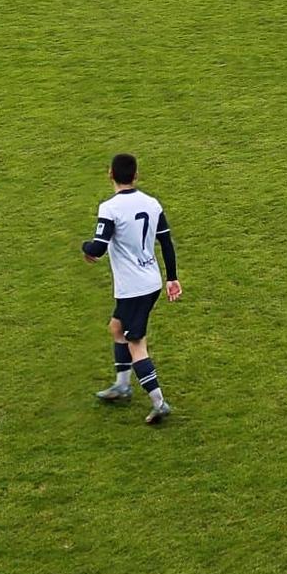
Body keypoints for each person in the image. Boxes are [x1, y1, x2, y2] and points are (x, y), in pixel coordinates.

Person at [83, 152, 181, 424]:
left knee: (136, 342)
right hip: (151, 282)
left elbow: (98, 248)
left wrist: (84, 248)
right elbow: (167, 242)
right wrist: (172, 277)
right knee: (117, 328)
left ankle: (159, 401)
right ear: (136, 175)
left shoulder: (110, 208)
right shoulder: (152, 203)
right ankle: (122, 385)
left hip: (132, 288)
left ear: (110, 174)